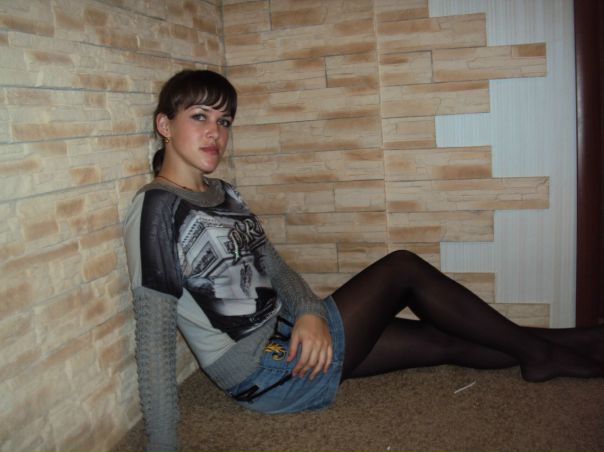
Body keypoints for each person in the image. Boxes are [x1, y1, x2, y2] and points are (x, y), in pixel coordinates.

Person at [123, 69, 604, 452]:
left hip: (291, 331)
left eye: (224, 121)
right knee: (402, 269)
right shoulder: (158, 211)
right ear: (165, 125)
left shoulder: (223, 192)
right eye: (200, 117)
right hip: (264, 370)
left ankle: (577, 342)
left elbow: (276, 266)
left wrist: (310, 311)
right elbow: (154, 336)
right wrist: (162, 445)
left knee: (444, 340)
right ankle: (546, 354)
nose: (215, 133)